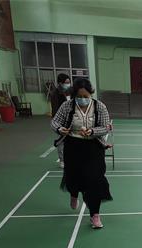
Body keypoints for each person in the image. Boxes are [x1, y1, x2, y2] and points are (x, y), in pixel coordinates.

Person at [51, 78, 112, 229]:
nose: (83, 99)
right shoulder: (67, 106)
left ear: (91, 94)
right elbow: (54, 122)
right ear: (74, 95)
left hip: (94, 148)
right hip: (73, 147)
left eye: (86, 96)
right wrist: (60, 129)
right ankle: (73, 193)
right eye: (79, 96)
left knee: (95, 180)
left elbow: (106, 127)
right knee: (73, 177)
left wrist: (92, 131)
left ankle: (95, 215)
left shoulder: (100, 107)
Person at [50, 73, 71, 168]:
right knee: (62, 140)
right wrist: (58, 122)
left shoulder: (70, 91)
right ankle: (62, 160)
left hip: (71, 119)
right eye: (66, 82)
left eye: (69, 82)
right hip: (61, 120)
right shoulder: (55, 94)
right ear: (60, 83)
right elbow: (55, 109)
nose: (68, 84)